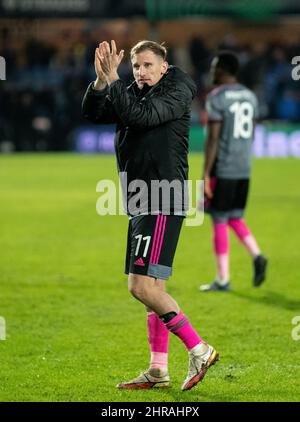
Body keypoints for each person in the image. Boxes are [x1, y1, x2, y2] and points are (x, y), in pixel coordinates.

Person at [82, 40, 218, 391]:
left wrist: (115, 82)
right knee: (153, 286)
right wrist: (102, 82)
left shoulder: (177, 89)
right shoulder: (133, 90)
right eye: (136, 67)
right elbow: (94, 113)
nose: (140, 72)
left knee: (140, 286)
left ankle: (199, 349)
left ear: (163, 66)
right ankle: (158, 370)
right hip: (141, 198)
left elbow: (141, 117)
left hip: (161, 195)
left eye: (146, 65)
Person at [199, 52, 268, 292]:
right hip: (244, 167)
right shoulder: (250, 96)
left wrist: (206, 173)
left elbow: (213, 139)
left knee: (218, 218)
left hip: (224, 167)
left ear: (223, 70)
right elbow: (251, 133)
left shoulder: (217, 97)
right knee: (235, 216)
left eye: (214, 67)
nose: (211, 71)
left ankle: (223, 279)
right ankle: (257, 255)